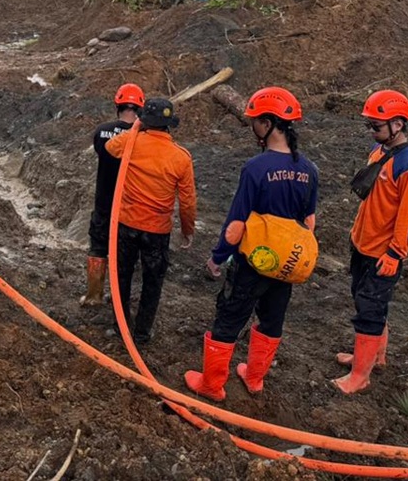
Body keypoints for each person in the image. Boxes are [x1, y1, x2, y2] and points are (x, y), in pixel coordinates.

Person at [184, 86, 317, 401]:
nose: (252, 126)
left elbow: (236, 223)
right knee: (272, 318)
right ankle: (255, 378)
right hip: (285, 264)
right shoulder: (309, 170)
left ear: (268, 123)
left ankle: (212, 385)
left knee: (230, 317)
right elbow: (309, 222)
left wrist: (217, 257)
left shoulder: (256, 169)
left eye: (255, 120)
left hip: (253, 262)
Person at [333, 90, 408, 395]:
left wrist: (395, 253)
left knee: (370, 311)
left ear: (397, 124)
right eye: (369, 125)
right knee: (367, 302)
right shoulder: (380, 151)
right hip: (363, 245)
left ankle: (360, 376)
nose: (371, 131)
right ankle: (375, 356)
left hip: (382, 253)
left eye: (376, 125)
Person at [103, 97, 196, 343]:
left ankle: (120, 325)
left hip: (127, 224)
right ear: (169, 125)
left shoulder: (131, 143)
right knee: (153, 281)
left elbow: (110, 147)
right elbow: (187, 202)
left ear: (144, 120)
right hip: (157, 231)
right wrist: (187, 230)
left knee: (121, 275)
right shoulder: (181, 157)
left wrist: (135, 129)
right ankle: (142, 332)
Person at [81, 83, 145, 310]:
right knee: (124, 254)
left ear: (118, 105)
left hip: (104, 202)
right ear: (140, 107)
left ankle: (93, 295)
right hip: (130, 206)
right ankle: (119, 298)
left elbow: (102, 152)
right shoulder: (143, 136)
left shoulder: (102, 131)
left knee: (98, 247)